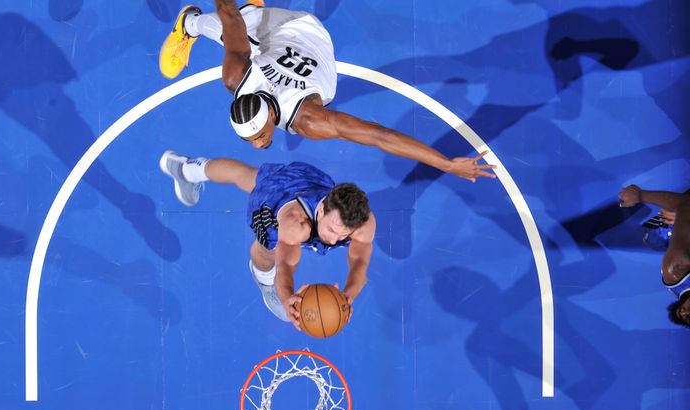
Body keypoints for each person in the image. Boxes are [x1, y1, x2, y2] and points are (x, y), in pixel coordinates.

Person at [158, 1, 495, 182]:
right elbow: (229, 15)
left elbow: (379, 136)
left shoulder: (309, 120)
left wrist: (446, 164)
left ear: (270, 114)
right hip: (293, 43)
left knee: (231, 25)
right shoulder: (237, 76)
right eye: (253, 140)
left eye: (259, 135)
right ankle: (253, 12)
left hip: (293, 28)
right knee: (238, 25)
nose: (260, 143)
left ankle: (188, 22)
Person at [158, 149, 376, 328]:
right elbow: (286, 265)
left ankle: (186, 169)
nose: (334, 239)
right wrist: (286, 297)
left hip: (306, 181)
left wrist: (348, 296)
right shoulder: (296, 225)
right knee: (267, 251)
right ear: (321, 212)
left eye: (343, 235)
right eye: (332, 229)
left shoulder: (362, 221)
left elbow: (360, 263)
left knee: (247, 176)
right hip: (272, 208)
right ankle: (262, 278)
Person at [660, 192, 690, 328]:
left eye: (682, 313)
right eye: (688, 317)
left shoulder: (674, 272)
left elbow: (685, 203)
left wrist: (640, 195)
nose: (686, 312)